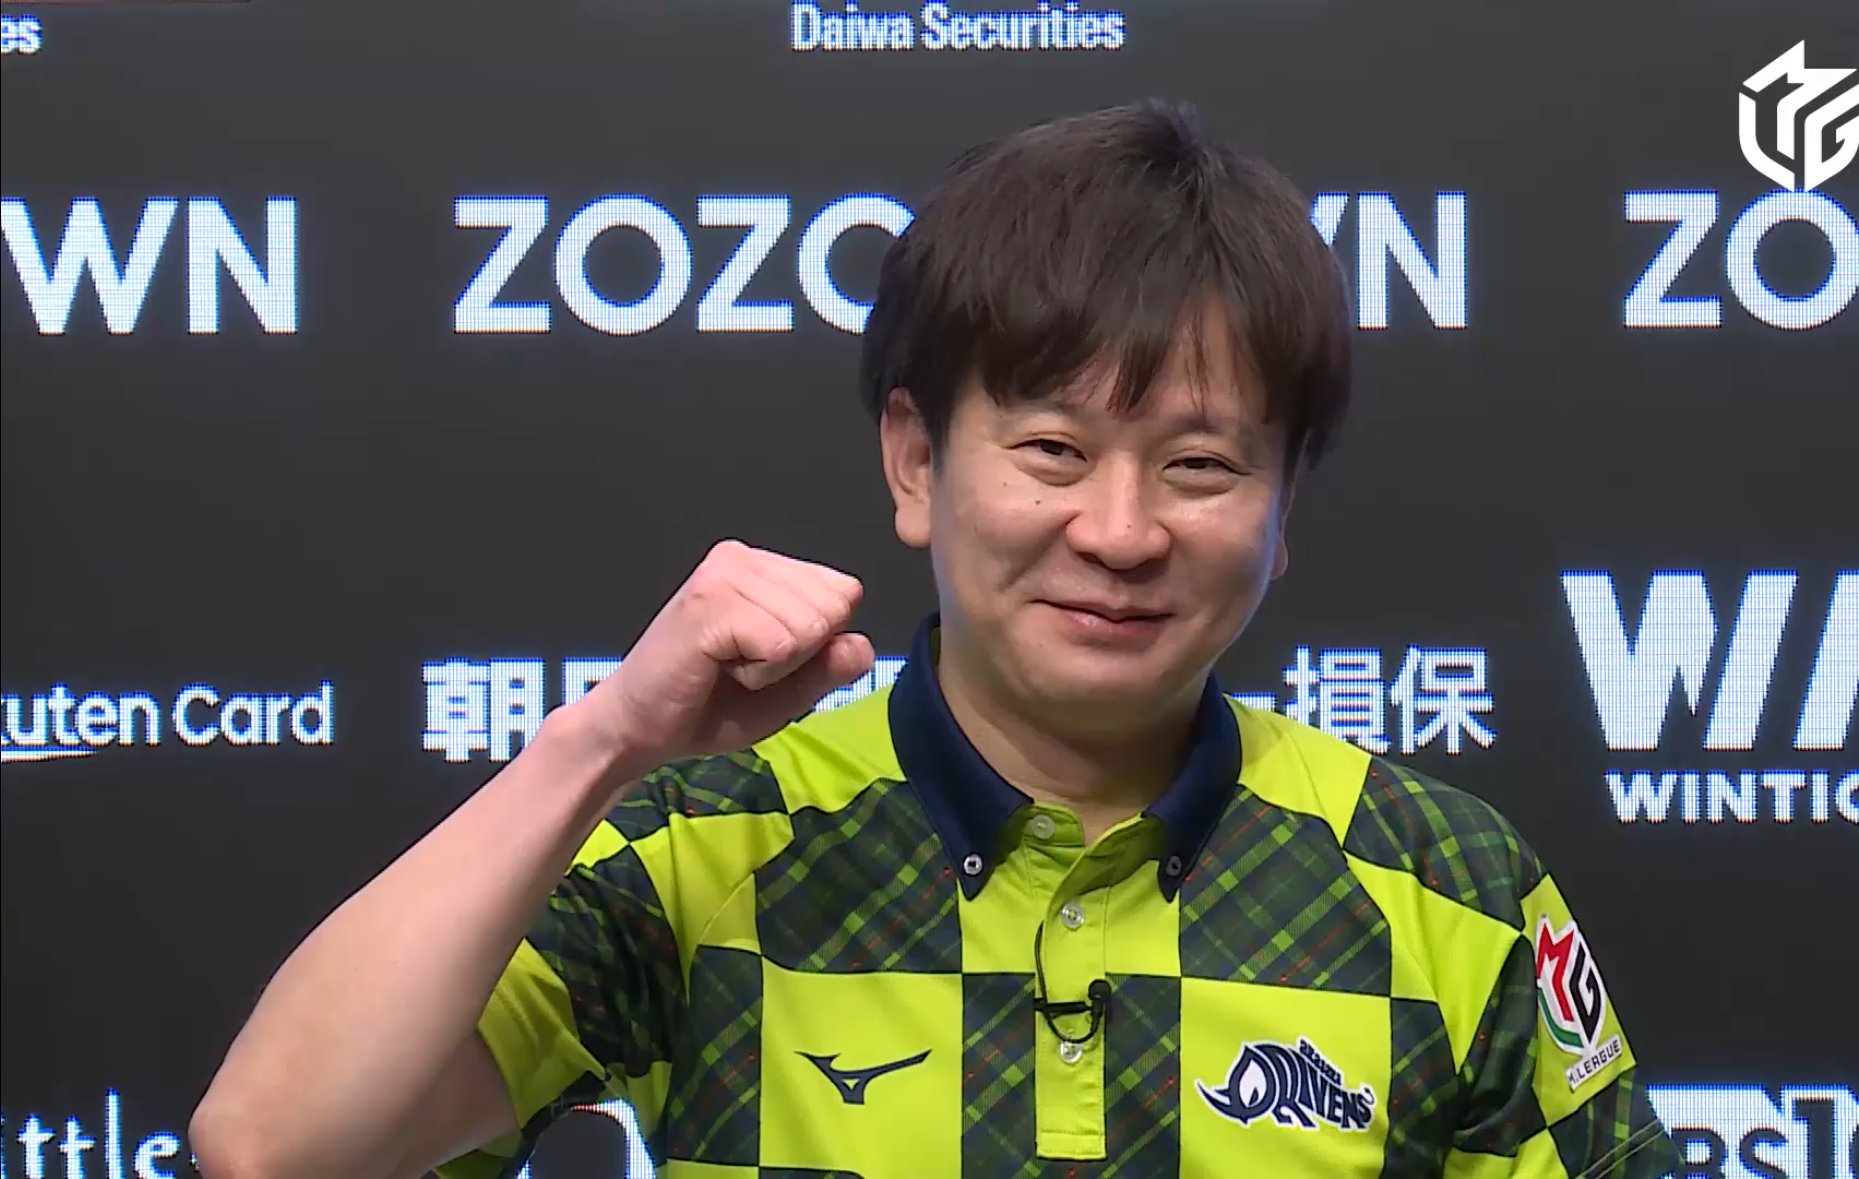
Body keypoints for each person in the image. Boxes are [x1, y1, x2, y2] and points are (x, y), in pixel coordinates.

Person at [189, 101, 1682, 1179]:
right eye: (1051, 450)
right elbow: (273, 1146)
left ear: (1285, 508)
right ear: (915, 462)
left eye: (1201, 466)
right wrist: (600, 745)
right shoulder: (709, 845)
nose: (1119, 531)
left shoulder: (1440, 884)